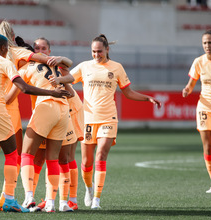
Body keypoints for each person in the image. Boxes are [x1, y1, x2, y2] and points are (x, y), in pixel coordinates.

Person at [0, 34, 70, 213]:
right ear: (2, 48)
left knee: (8, 156)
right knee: (44, 157)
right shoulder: (52, 65)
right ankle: (51, 202)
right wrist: (53, 90)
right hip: (63, 110)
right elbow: (70, 76)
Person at [70, 34, 161, 210]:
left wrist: (146, 98)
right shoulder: (84, 67)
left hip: (108, 118)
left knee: (101, 155)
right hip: (88, 119)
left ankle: (96, 199)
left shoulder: (116, 67)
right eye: (94, 51)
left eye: (100, 51)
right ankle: (89, 189)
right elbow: (68, 80)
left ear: (107, 50)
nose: (96, 54)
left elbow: (128, 92)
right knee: (87, 162)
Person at [5, 37, 75, 212]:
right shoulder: (58, 67)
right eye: (37, 48)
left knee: (27, 154)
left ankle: (29, 197)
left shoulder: (27, 67)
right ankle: (51, 202)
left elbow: (10, 98)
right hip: (63, 110)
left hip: (46, 107)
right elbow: (71, 91)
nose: (40, 50)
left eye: (42, 48)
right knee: (52, 159)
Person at [182, 30, 211, 193]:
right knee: (207, 148)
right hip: (204, 108)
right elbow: (192, 83)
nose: (207, 46)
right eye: (204, 43)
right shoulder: (198, 62)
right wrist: (187, 89)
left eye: (210, 42)